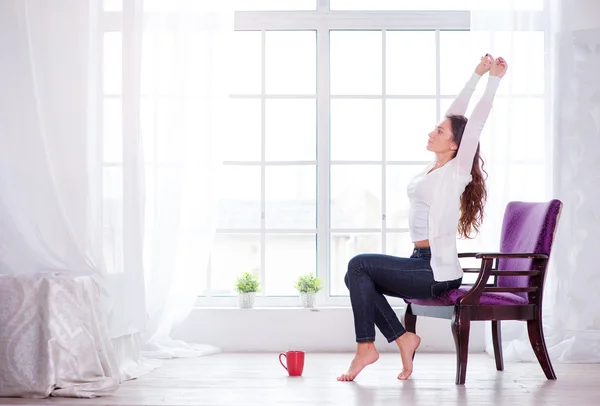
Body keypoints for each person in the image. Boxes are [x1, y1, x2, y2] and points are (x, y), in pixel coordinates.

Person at [338, 55, 508, 382]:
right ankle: (402, 338)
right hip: (420, 261)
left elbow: (474, 122)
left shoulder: (456, 171)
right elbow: (455, 116)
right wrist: (474, 73)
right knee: (354, 277)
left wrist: (493, 81)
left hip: (437, 269)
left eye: (439, 130)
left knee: (358, 265)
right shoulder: (433, 169)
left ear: (456, 144)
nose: (433, 131)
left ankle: (366, 347)